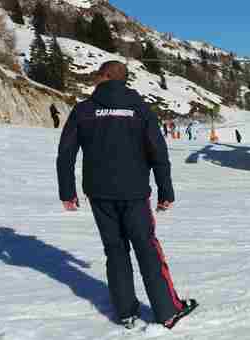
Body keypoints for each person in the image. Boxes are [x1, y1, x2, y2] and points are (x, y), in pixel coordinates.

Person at [56, 61, 197, 330]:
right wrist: (165, 190)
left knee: (115, 250)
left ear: (106, 76)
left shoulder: (84, 109)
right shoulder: (140, 109)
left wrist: (67, 191)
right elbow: (158, 152)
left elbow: (66, 153)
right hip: (134, 193)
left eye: (98, 74)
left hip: (99, 193)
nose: (95, 78)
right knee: (147, 248)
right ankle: (168, 311)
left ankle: (126, 312)